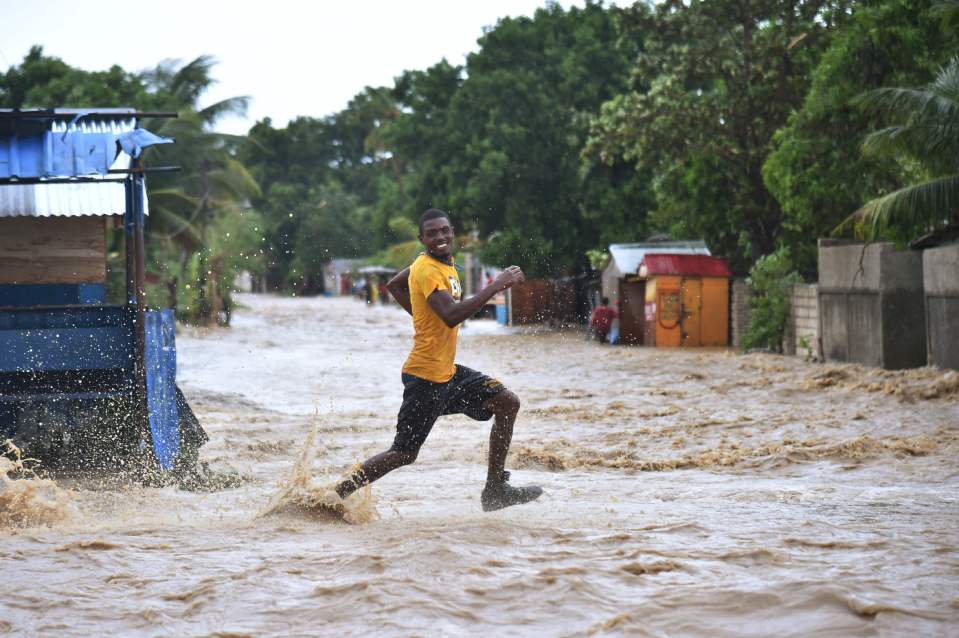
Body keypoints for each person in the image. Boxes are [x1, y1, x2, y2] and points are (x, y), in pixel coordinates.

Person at [334, 208, 543, 512]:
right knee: (404, 453)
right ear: (423, 239)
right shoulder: (428, 270)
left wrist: (421, 319)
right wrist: (495, 286)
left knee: (507, 402)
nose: (440, 237)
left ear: (452, 232)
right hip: (425, 377)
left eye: (444, 230)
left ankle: (495, 488)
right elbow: (450, 315)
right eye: (432, 233)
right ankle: (335, 494)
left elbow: (394, 285)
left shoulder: (438, 264)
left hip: (447, 372)